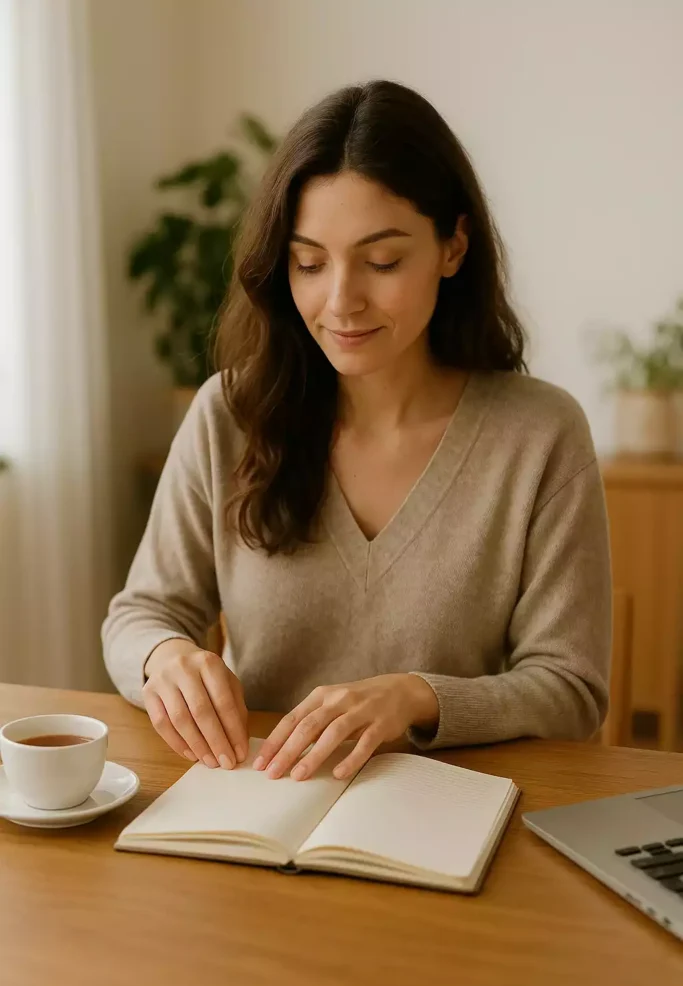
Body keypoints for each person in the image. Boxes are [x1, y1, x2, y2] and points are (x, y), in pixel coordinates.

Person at [102, 79, 611, 783]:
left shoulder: (539, 435)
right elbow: (142, 614)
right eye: (309, 263)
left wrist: (415, 697)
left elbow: (570, 689)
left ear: (453, 247)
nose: (339, 302)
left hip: (456, 823)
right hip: (261, 810)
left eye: (382, 261)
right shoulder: (229, 415)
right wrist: (167, 658)